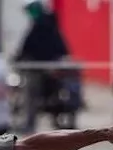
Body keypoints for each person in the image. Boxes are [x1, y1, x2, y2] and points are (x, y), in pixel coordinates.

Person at [14, 0, 71, 133]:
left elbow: (28, 47)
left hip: (42, 68)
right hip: (47, 65)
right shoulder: (50, 23)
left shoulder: (41, 25)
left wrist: (20, 57)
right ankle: (53, 121)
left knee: (31, 95)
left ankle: (30, 124)